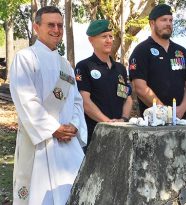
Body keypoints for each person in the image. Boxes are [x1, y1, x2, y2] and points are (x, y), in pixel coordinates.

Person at [9, 6, 87, 205]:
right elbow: (26, 100)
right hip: (40, 144)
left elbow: (77, 101)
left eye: (60, 25)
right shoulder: (25, 58)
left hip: (68, 145)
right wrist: (54, 128)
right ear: (36, 27)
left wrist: (74, 126)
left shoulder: (66, 65)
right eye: (50, 25)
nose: (57, 29)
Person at [75, 19, 133, 151]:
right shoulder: (84, 66)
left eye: (110, 36)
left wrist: (123, 120)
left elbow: (127, 98)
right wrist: (108, 123)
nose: (108, 40)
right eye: (103, 37)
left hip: (120, 133)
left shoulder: (120, 69)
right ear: (91, 40)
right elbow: (85, 102)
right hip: (95, 135)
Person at [128, 4, 186, 117]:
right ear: (152, 23)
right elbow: (139, 87)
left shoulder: (181, 51)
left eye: (170, 20)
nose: (168, 23)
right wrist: (165, 112)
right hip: (152, 123)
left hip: (180, 119)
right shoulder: (142, 50)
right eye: (163, 20)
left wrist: (182, 108)